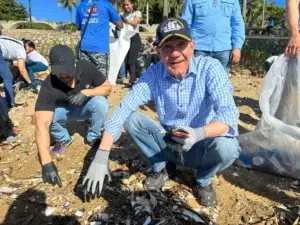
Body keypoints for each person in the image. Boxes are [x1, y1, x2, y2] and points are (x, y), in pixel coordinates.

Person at [82, 18, 240, 207]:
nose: (175, 53)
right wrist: (101, 155)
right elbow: (124, 108)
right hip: (169, 142)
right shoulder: (153, 74)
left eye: (181, 45)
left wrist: (199, 133)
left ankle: (203, 180)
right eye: (167, 47)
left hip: (201, 145)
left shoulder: (210, 68)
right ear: (158, 51)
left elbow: (228, 116)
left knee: (228, 148)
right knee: (132, 120)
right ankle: (162, 167)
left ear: (192, 47)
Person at [35, 45, 111, 187]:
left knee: (101, 102)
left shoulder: (86, 67)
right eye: (59, 72)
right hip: (66, 111)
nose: (63, 76)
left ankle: (93, 137)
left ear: (75, 63)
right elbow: (41, 123)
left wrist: (87, 93)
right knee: (47, 118)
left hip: (85, 106)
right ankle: (64, 139)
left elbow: (107, 88)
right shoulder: (49, 84)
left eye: (67, 71)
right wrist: (46, 163)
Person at [181, 0, 245, 74]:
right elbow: (185, 23)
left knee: (221, 82)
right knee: (197, 80)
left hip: (223, 50)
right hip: (198, 49)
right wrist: (185, 45)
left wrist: (237, 48)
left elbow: (237, 23)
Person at [76, 0, 123, 77]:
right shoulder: (105, 4)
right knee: (101, 82)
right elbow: (120, 24)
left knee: (85, 79)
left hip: (84, 48)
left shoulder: (80, 6)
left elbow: (78, 27)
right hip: (100, 48)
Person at [0, 36, 34, 108]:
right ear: (27, 45)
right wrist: (30, 82)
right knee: (8, 76)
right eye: (29, 50)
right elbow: (22, 69)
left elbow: (16, 66)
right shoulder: (21, 49)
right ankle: (11, 103)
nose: (28, 53)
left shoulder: (14, 45)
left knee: (6, 74)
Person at [121, 0, 142, 87]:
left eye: (128, 4)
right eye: (125, 5)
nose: (126, 6)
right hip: (125, 39)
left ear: (132, 4)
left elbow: (134, 22)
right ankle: (131, 79)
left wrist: (124, 20)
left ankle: (132, 81)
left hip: (135, 39)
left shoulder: (137, 13)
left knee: (131, 61)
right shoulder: (122, 15)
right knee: (126, 61)